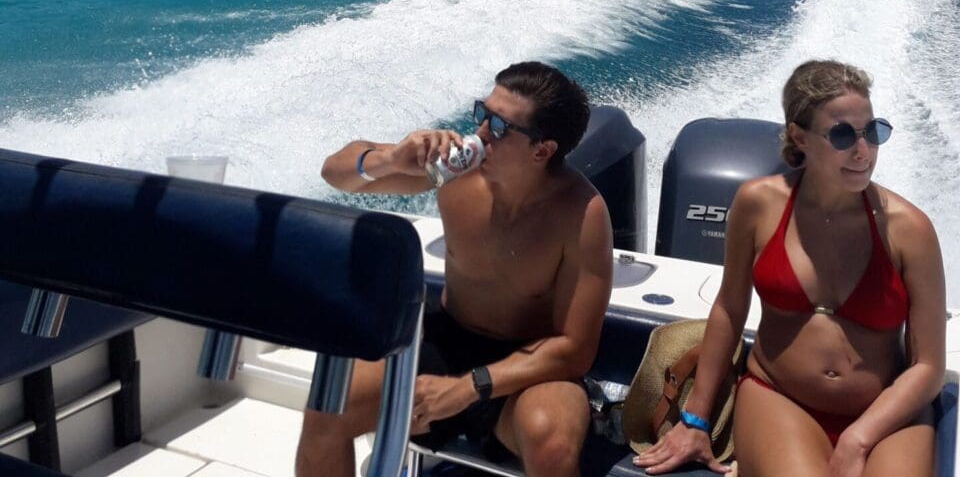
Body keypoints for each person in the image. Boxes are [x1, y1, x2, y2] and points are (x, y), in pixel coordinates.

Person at [295, 60, 614, 477]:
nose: (480, 133)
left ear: (542, 150)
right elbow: (335, 174)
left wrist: (469, 387)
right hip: (444, 340)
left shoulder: (582, 215)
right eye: (482, 114)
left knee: (550, 440)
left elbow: (574, 349)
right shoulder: (455, 173)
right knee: (327, 407)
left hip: (527, 368)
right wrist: (390, 158)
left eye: (499, 128)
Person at [636, 59, 945, 477]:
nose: (863, 151)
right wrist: (695, 420)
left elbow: (927, 365)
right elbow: (729, 309)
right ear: (799, 136)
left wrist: (859, 438)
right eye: (842, 135)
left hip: (884, 411)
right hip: (781, 397)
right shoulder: (757, 204)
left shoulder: (911, 229)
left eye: (873, 132)